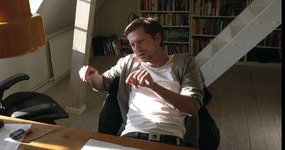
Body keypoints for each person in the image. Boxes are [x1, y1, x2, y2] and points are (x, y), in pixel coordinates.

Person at [79, 17, 204, 147]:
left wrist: (153, 86)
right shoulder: (129, 62)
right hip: (130, 138)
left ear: (157, 38)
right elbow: (102, 84)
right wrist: (93, 76)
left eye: (141, 41)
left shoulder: (184, 63)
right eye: (132, 44)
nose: (137, 48)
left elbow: (192, 107)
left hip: (169, 141)